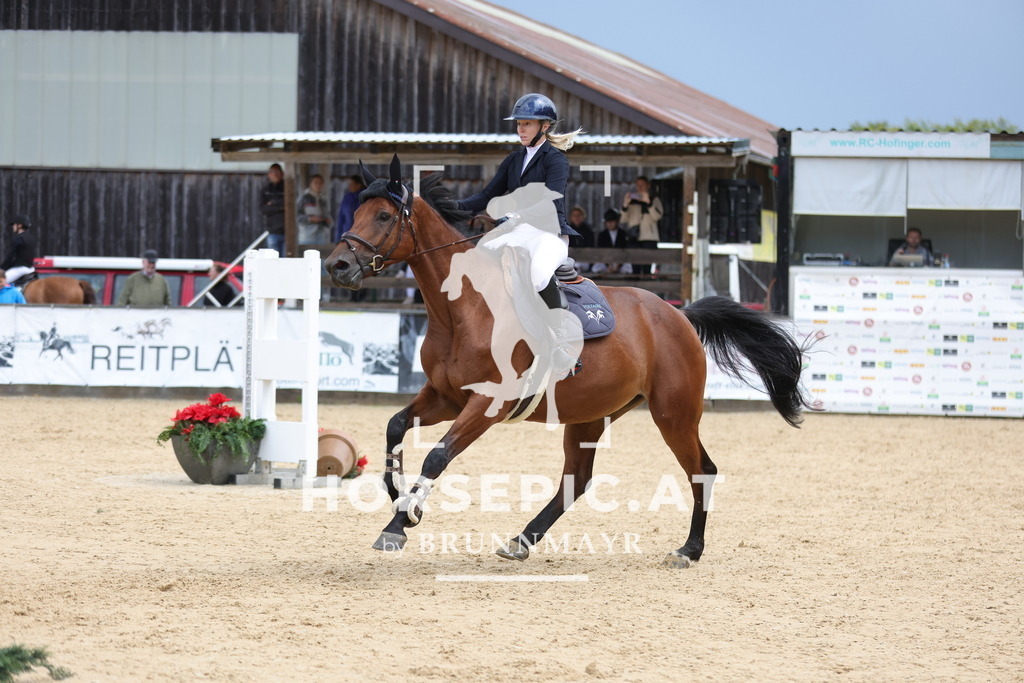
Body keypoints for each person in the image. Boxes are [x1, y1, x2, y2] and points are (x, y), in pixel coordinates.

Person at [454, 92, 584, 376]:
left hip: (549, 234)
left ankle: (563, 343)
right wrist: (451, 207)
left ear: (544, 126)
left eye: (527, 124)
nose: (521, 129)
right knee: (479, 257)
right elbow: (486, 195)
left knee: (538, 274)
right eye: (519, 124)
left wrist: (517, 215)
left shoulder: (556, 160)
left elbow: (550, 200)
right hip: (519, 232)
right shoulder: (514, 160)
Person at [620, 176, 663, 276]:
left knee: (647, 267)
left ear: (648, 186)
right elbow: (623, 219)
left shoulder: (654, 199)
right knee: (635, 267)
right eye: (638, 185)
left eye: (642, 185)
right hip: (634, 237)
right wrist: (625, 204)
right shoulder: (632, 201)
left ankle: (647, 284)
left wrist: (648, 203)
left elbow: (657, 216)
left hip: (649, 238)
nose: (639, 187)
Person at [591, 209, 633, 275]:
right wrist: (608, 265)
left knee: (629, 268)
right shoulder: (602, 235)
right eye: (608, 221)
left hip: (620, 262)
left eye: (612, 221)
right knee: (596, 268)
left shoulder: (623, 234)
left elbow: (625, 251)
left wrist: (618, 265)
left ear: (617, 221)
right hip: (606, 262)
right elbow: (600, 252)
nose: (610, 223)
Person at [296, 174, 333, 245]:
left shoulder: (324, 200)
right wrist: (310, 219)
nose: (318, 185)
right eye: (316, 183)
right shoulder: (303, 198)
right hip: (307, 235)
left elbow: (327, 215)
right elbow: (296, 216)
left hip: (321, 234)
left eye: (320, 183)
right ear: (310, 184)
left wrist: (327, 220)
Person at [2, 214, 37, 286]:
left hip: (20, 269)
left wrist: (2, 268)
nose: (13, 227)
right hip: (31, 269)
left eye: (14, 224)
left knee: (1, 281)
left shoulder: (18, 238)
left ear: (19, 225)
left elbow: (11, 256)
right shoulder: (32, 238)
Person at [259, 163, 286, 256]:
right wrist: (280, 207)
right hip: (272, 231)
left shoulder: (287, 188)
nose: (275, 175)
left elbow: (288, 205)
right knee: (272, 258)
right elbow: (263, 208)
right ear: (269, 174)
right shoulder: (266, 190)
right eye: (272, 172)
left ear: (282, 174)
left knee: (287, 259)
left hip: (287, 231)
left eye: (277, 172)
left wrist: (273, 203)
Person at [334, 174, 366, 241]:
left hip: (362, 236)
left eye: (351, 184)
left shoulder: (366, 197)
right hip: (347, 234)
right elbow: (341, 218)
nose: (349, 187)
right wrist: (338, 238)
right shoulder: (347, 197)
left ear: (358, 185)